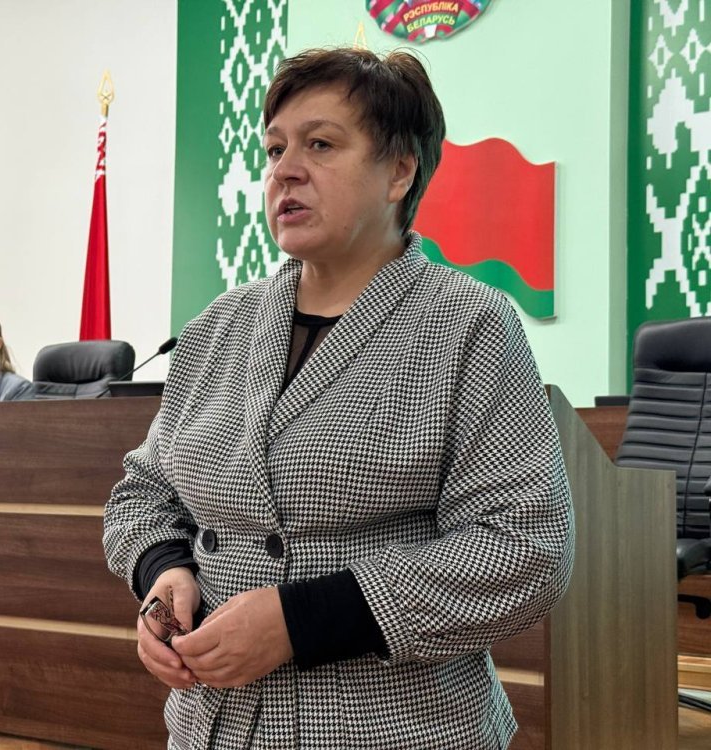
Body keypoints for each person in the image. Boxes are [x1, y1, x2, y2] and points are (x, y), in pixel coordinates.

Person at [103, 47, 574, 748]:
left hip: (393, 727)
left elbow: (525, 546)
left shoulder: (468, 322)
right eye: (275, 149)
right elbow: (143, 492)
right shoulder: (217, 326)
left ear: (399, 172)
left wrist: (302, 621)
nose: (285, 170)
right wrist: (162, 570)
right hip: (213, 724)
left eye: (320, 144)